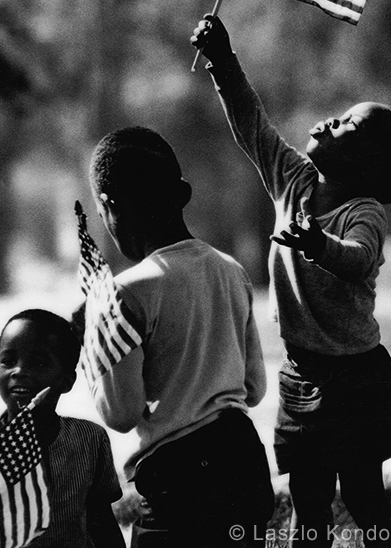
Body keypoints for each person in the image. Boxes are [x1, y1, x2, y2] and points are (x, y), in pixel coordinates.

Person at [191, 15, 391, 548]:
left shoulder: (364, 211)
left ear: (366, 165)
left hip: (357, 378)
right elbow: (252, 125)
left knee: (365, 495)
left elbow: (359, 260)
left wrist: (317, 245)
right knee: (308, 499)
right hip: (301, 373)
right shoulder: (292, 181)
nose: (328, 121)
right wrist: (223, 62)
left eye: (347, 126)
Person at [87, 126, 274, 548]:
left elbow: (121, 413)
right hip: (245, 463)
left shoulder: (123, 293)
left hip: (180, 482)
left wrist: (95, 348)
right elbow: (255, 388)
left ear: (108, 206)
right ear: (183, 194)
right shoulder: (230, 269)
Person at [0, 308, 125, 548]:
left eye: (39, 363)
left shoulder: (88, 439)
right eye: (8, 361)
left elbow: (101, 519)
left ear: (67, 380)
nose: (20, 371)